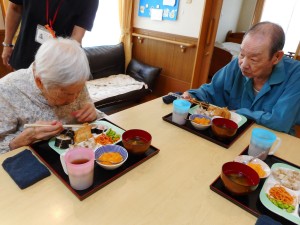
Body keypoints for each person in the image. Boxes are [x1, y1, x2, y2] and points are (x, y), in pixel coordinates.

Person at [182, 21, 300, 135]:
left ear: (276, 57)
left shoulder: (295, 74)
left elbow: (280, 121)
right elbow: (212, 91)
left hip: (270, 141)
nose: (243, 64)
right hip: (230, 133)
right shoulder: (236, 65)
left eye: (254, 59)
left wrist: (239, 113)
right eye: (242, 54)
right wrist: (192, 95)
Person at [0, 38, 102, 154]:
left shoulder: (75, 80)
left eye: (78, 91)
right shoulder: (6, 90)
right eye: (67, 94)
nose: (74, 98)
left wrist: (94, 114)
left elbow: (98, 122)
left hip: (83, 153)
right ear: (40, 82)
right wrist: (22, 140)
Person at [2, 0, 99, 70]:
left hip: (61, 62)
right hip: (24, 57)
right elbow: (15, 8)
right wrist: (7, 44)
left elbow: (76, 36)